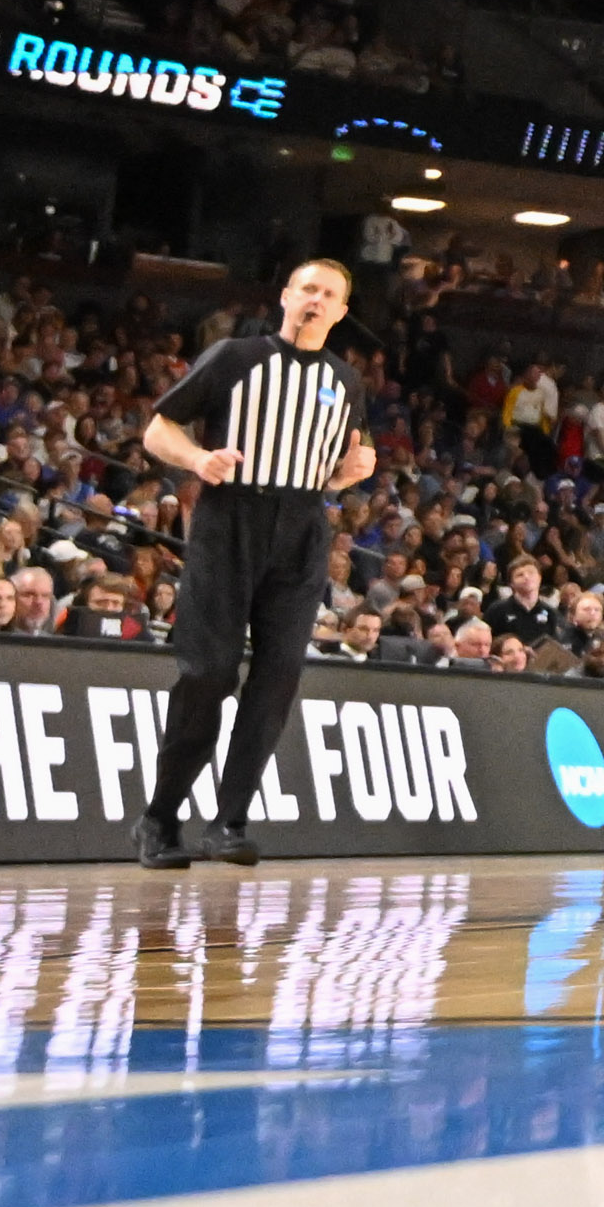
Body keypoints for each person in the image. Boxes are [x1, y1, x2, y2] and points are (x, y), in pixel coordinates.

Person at [129, 256, 371, 867]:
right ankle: (160, 818)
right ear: (286, 296)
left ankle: (229, 822)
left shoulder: (346, 380)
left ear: (341, 311)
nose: (316, 300)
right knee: (208, 673)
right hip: (229, 517)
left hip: (303, 526)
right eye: (307, 288)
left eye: (329, 295)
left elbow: (338, 467)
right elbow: (158, 430)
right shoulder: (235, 357)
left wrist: (349, 474)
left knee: (279, 676)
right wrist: (196, 459)